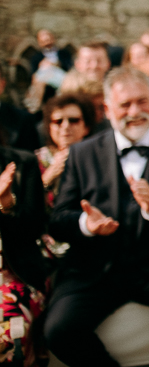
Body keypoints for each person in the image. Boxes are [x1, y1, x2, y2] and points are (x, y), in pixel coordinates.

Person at [43, 66, 149, 367]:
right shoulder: (82, 154)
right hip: (96, 267)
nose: (135, 111)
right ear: (107, 109)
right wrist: (87, 225)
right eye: (125, 104)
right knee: (58, 329)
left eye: (142, 101)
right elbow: (59, 220)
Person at [0, 142, 52, 365]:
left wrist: (7, 205)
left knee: (9, 335)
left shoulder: (22, 162)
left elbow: (34, 228)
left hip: (14, 273)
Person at [37, 94, 96, 214]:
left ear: (86, 127)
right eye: (58, 121)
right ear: (49, 127)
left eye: (73, 120)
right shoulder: (35, 160)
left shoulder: (99, 157)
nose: (65, 126)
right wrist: (49, 176)